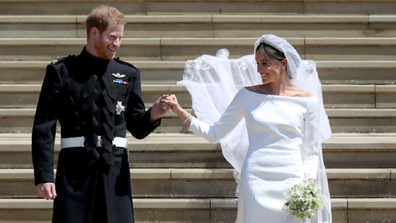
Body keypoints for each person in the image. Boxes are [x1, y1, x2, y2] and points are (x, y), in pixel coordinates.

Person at [166, 34, 332, 222]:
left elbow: (310, 151)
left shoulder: (308, 101)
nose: (259, 70)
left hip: (291, 180)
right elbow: (214, 133)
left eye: (264, 63)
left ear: (284, 63)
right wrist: (180, 112)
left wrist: (309, 183)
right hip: (255, 180)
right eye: (257, 64)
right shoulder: (246, 95)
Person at [31, 5, 170, 223]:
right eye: (112, 37)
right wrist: (44, 176)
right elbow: (43, 127)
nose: (117, 43)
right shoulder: (61, 71)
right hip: (74, 170)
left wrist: (153, 114)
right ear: (94, 32)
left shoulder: (128, 73)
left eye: (120, 38)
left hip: (115, 172)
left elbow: (136, 127)